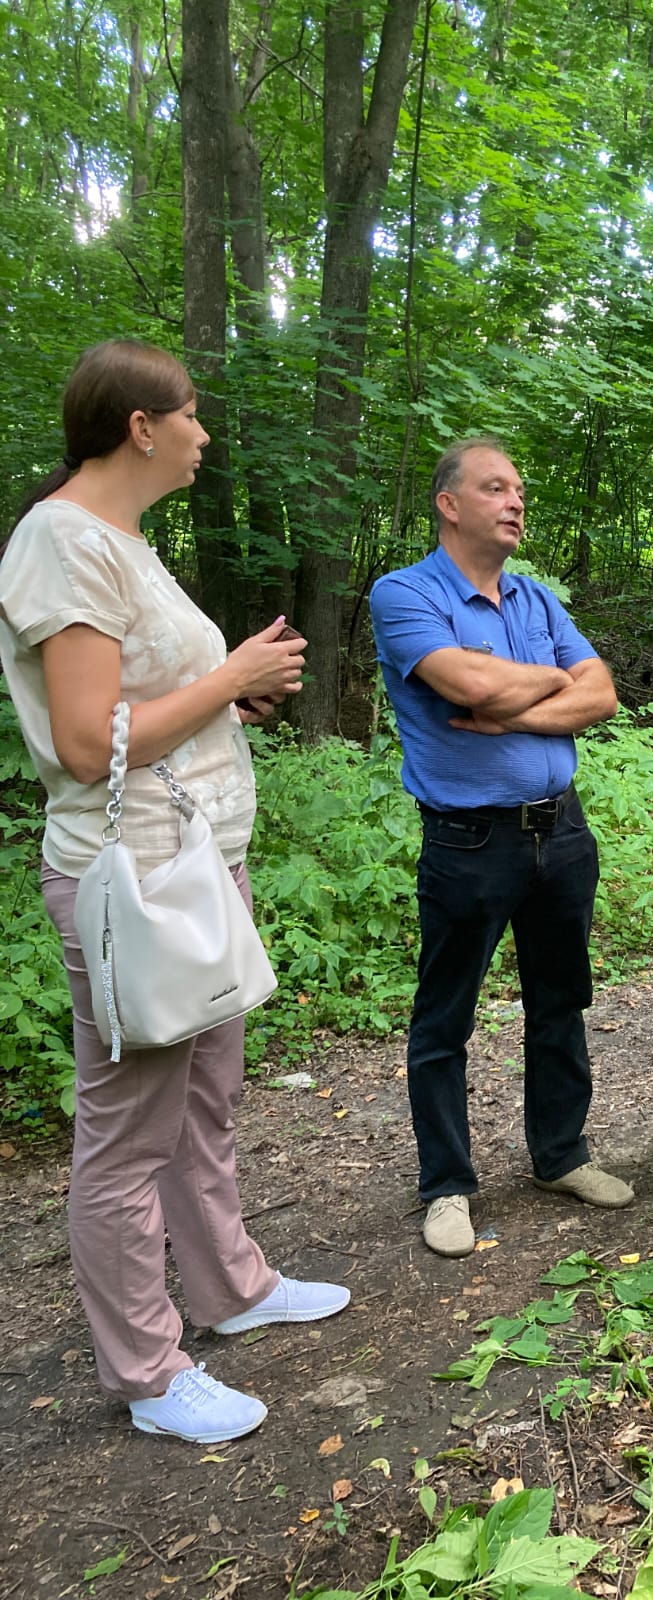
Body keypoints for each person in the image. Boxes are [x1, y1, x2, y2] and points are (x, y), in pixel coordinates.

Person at [0, 339, 351, 1444]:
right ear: (142, 427)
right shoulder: (60, 542)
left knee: (205, 1098)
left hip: (195, 862)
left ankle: (233, 1288)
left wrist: (222, 698)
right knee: (127, 1129)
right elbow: (76, 741)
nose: (205, 434)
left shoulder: (120, 542)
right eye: (192, 415)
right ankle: (149, 1372)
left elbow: (146, 703)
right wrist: (231, 678)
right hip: (137, 879)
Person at [369, 438, 632, 1259]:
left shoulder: (537, 600)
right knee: (445, 1017)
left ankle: (560, 1156)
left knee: (561, 1000)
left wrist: (512, 700)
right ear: (450, 504)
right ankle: (446, 1185)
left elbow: (604, 694)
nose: (515, 501)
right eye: (495, 488)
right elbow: (469, 686)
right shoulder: (404, 593)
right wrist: (544, 680)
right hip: (468, 839)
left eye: (519, 489)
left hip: (562, 830)